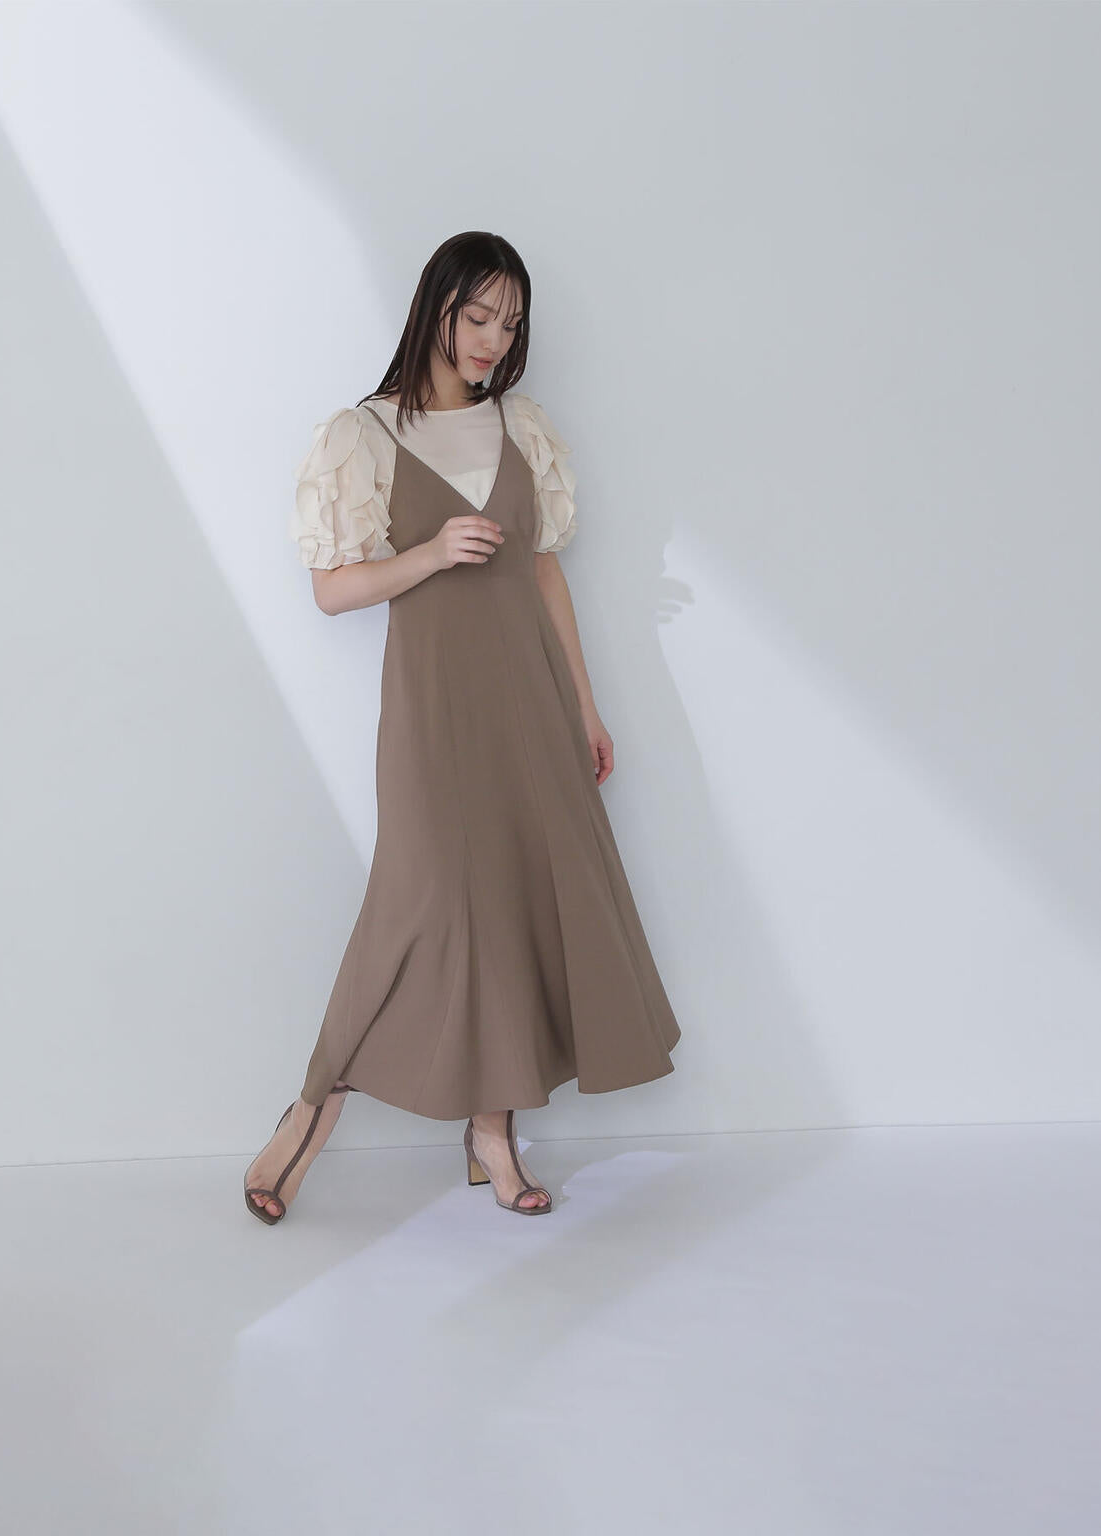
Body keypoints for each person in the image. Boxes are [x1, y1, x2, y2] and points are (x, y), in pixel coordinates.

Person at [244, 231, 681, 1223]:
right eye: (478, 315)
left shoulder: (520, 427)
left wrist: (583, 705)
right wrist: (432, 553)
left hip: (532, 701)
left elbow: (542, 573)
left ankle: (493, 1137)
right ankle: (309, 1112)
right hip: (436, 709)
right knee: (417, 904)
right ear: (434, 308)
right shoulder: (364, 434)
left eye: (510, 324)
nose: (493, 339)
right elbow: (330, 589)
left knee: (514, 907)